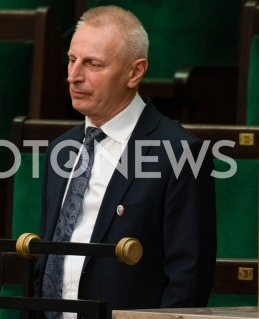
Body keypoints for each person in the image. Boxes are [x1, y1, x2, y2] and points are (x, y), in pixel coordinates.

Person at [36, 5, 216, 319]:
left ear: (134, 72)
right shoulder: (60, 149)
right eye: (71, 60)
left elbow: (188, 280)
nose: (74, 76)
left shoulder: (181, 153)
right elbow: (48, 256)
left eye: (92, 64)